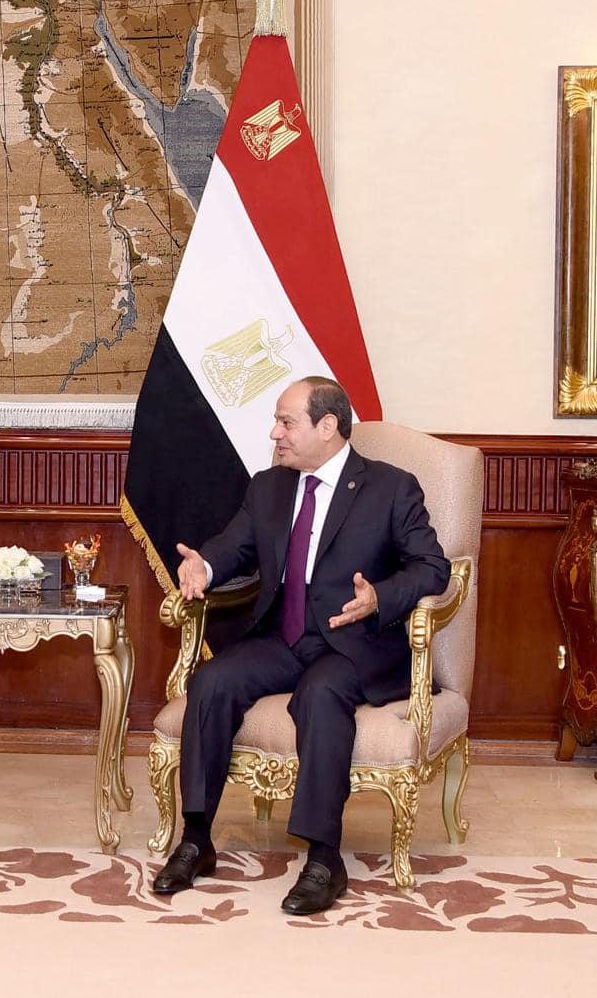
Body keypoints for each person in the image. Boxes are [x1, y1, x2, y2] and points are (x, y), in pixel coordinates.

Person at [152, 376, 450, 914]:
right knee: (212, 681)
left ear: (327, 426)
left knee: (320, 693)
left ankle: (324, 858)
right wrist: (204, 566)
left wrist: (380, 597)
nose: (276, 433)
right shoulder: (269, 487)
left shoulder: (390, 487)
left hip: (353, 643)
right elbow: (233, 548)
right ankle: (196, 839)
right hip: (283, 638)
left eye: (286, 422)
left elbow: (432, 568)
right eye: (277, 422)